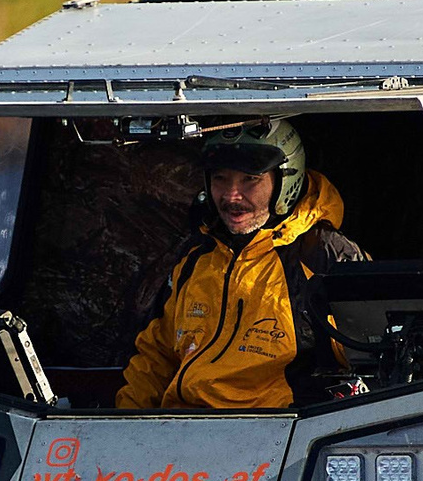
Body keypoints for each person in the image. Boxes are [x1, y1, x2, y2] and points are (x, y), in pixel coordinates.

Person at [117, 119, 366, 410]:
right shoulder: (197, 257)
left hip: (279, 435)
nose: (232, 196)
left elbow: (372, 353)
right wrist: (125, 423)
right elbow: (156, 356)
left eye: (250, 179)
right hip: (182, 430)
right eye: (220, 178)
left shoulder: (322, 256)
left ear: (286, 180)